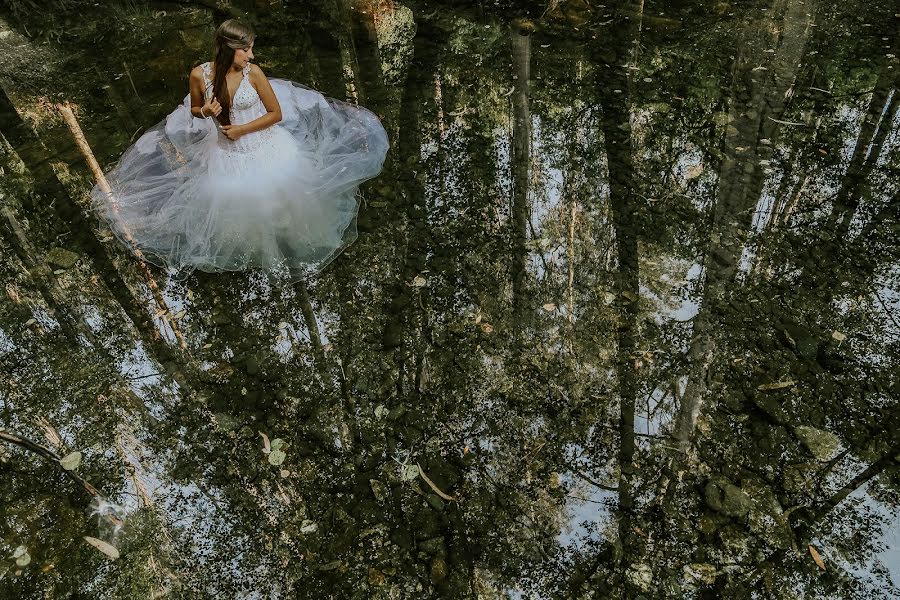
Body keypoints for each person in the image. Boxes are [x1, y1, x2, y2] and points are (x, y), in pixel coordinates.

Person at [91, 19, 389, 279]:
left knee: (287, 195)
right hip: (225, 153)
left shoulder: (254, 74)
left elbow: (275, 114)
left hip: (265, 144)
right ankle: (258, 242)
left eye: (251, 48)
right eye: (246, 49)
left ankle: (287, 232)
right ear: (227, 48)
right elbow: (194, 109)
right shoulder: (199, 75)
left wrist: (242, 129)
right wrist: (205, 111)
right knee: (236, 204)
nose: (251, 54)